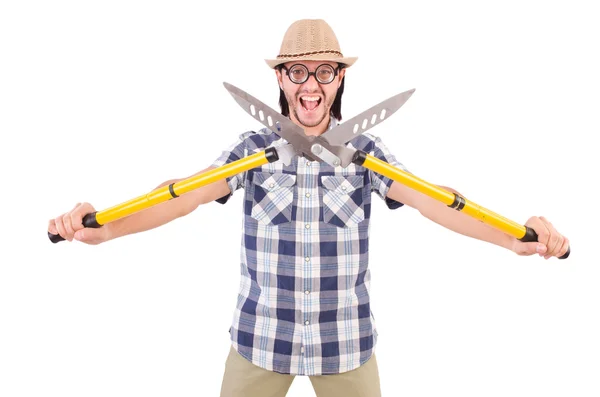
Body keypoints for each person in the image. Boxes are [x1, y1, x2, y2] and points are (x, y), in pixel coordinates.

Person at [48, 19, 569, 397]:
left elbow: (437, 202)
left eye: (324, 72)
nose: (311, 85)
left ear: (339, 78)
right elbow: (182, 194)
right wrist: (106, 229)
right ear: (281, 80)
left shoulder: (366, 154)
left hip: (345, 341)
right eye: (297, 72)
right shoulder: (252, 149)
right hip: (259, 339)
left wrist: (513, 238)